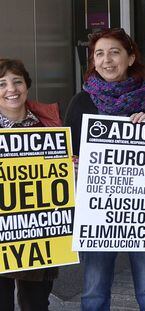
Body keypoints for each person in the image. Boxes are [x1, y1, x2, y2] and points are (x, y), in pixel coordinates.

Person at [64, 28, 145, 311]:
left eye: (114, 52)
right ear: (92, 61)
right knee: (94, 292)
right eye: (99, 54)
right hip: (97, 210)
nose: (107, 60)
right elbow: (68, 157)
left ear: (131, 57)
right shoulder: (81, 102)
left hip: (142, 211)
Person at [0, 58, 61, 311]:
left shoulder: (48, 123)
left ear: (27, 85)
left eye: (17, 81)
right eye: (1, 84)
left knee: (36, 303)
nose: (11, 89)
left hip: (38, 230)